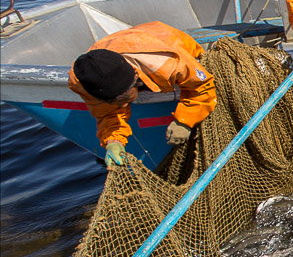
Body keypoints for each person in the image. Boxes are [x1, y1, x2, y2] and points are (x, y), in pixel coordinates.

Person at [68, 21, 217, 168]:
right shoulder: (83, 81)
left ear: (135, 79)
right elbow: (107, 114)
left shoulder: (167, 64)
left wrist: (184, 121)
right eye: (112, 101)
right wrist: (113, 142)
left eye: (124, 99)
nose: (123, 106)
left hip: (164, 37)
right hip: (117, 44)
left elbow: (203, 86)